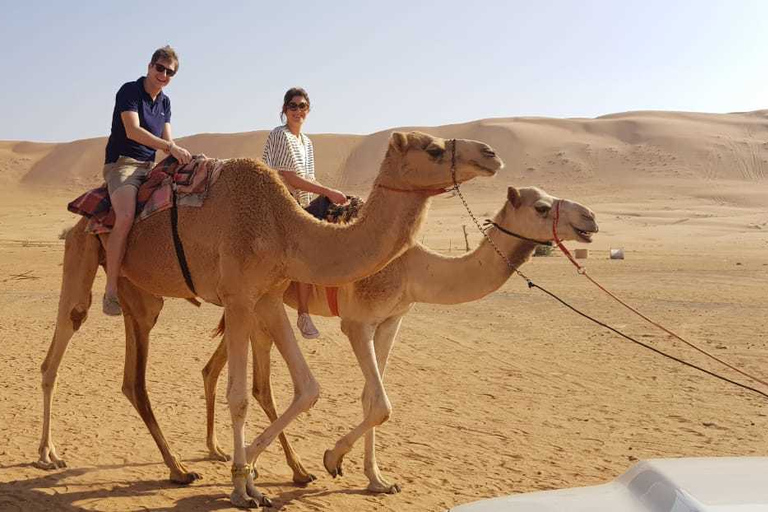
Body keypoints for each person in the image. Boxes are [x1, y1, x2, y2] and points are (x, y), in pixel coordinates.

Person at [102, 46, 192, 316]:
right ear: (150, 66)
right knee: (126, 216)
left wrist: (177, 151)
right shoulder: (129, 91)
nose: (163, 75)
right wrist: (169, 147)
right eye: (160, 68)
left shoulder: (164, 102)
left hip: (150, 166)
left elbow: (169, 138)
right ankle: (110, 291)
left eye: (169, 72)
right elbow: (132, 130)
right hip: (123, 165)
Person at [262, 87, 347, 339]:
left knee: (345, 211)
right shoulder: (280, 136)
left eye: (302, 106)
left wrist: (327, 195)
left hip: (303, 203)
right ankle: (303, 313)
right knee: (305, 250)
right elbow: (289, 178)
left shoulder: (307, 143)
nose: (297, 111)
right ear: (284, 110)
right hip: (281, 203)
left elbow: (307, 179)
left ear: (308, 110)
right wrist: (327, 191)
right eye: (293, 106)